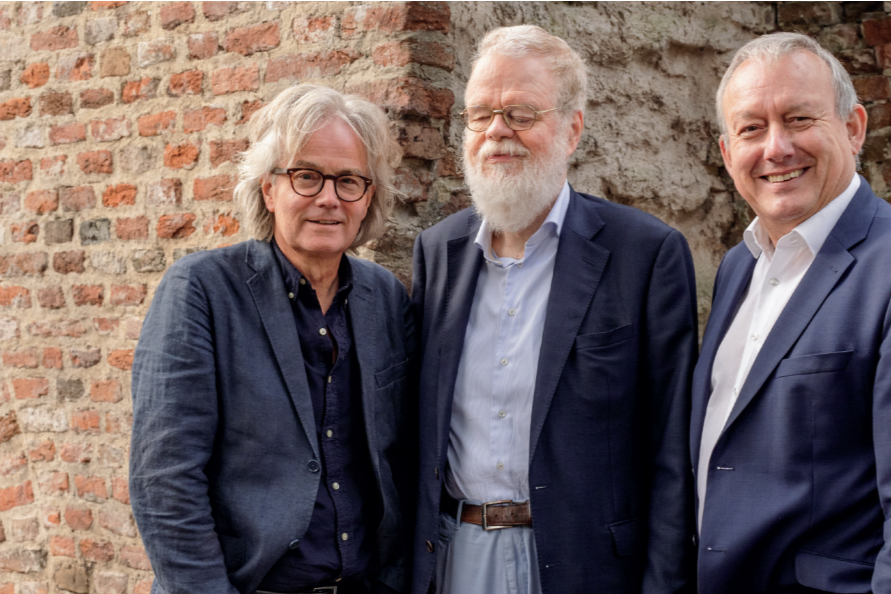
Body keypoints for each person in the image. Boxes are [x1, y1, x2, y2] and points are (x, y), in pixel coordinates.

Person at [411, 25, 698, 594]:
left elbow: (672, 450)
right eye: (480, 115)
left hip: (587, 565)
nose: (497, 132)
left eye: (520, 114)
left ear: (572, 129)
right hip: (456, 557)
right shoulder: (436, 251)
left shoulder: (645, 253)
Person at [130, 84, 415, 594]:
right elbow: (165, 481)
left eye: (349, 181)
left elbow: (402, 460)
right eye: (306, 176)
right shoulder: (202, 291)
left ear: (368, 196)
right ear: (269, 189)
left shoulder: (386, 299)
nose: (329, 198)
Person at [692, 32, 891, 593]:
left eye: (799, 119)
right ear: (729, 154)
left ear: (853, 129)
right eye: (751, 128)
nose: (776, 148)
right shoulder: (739, 266)